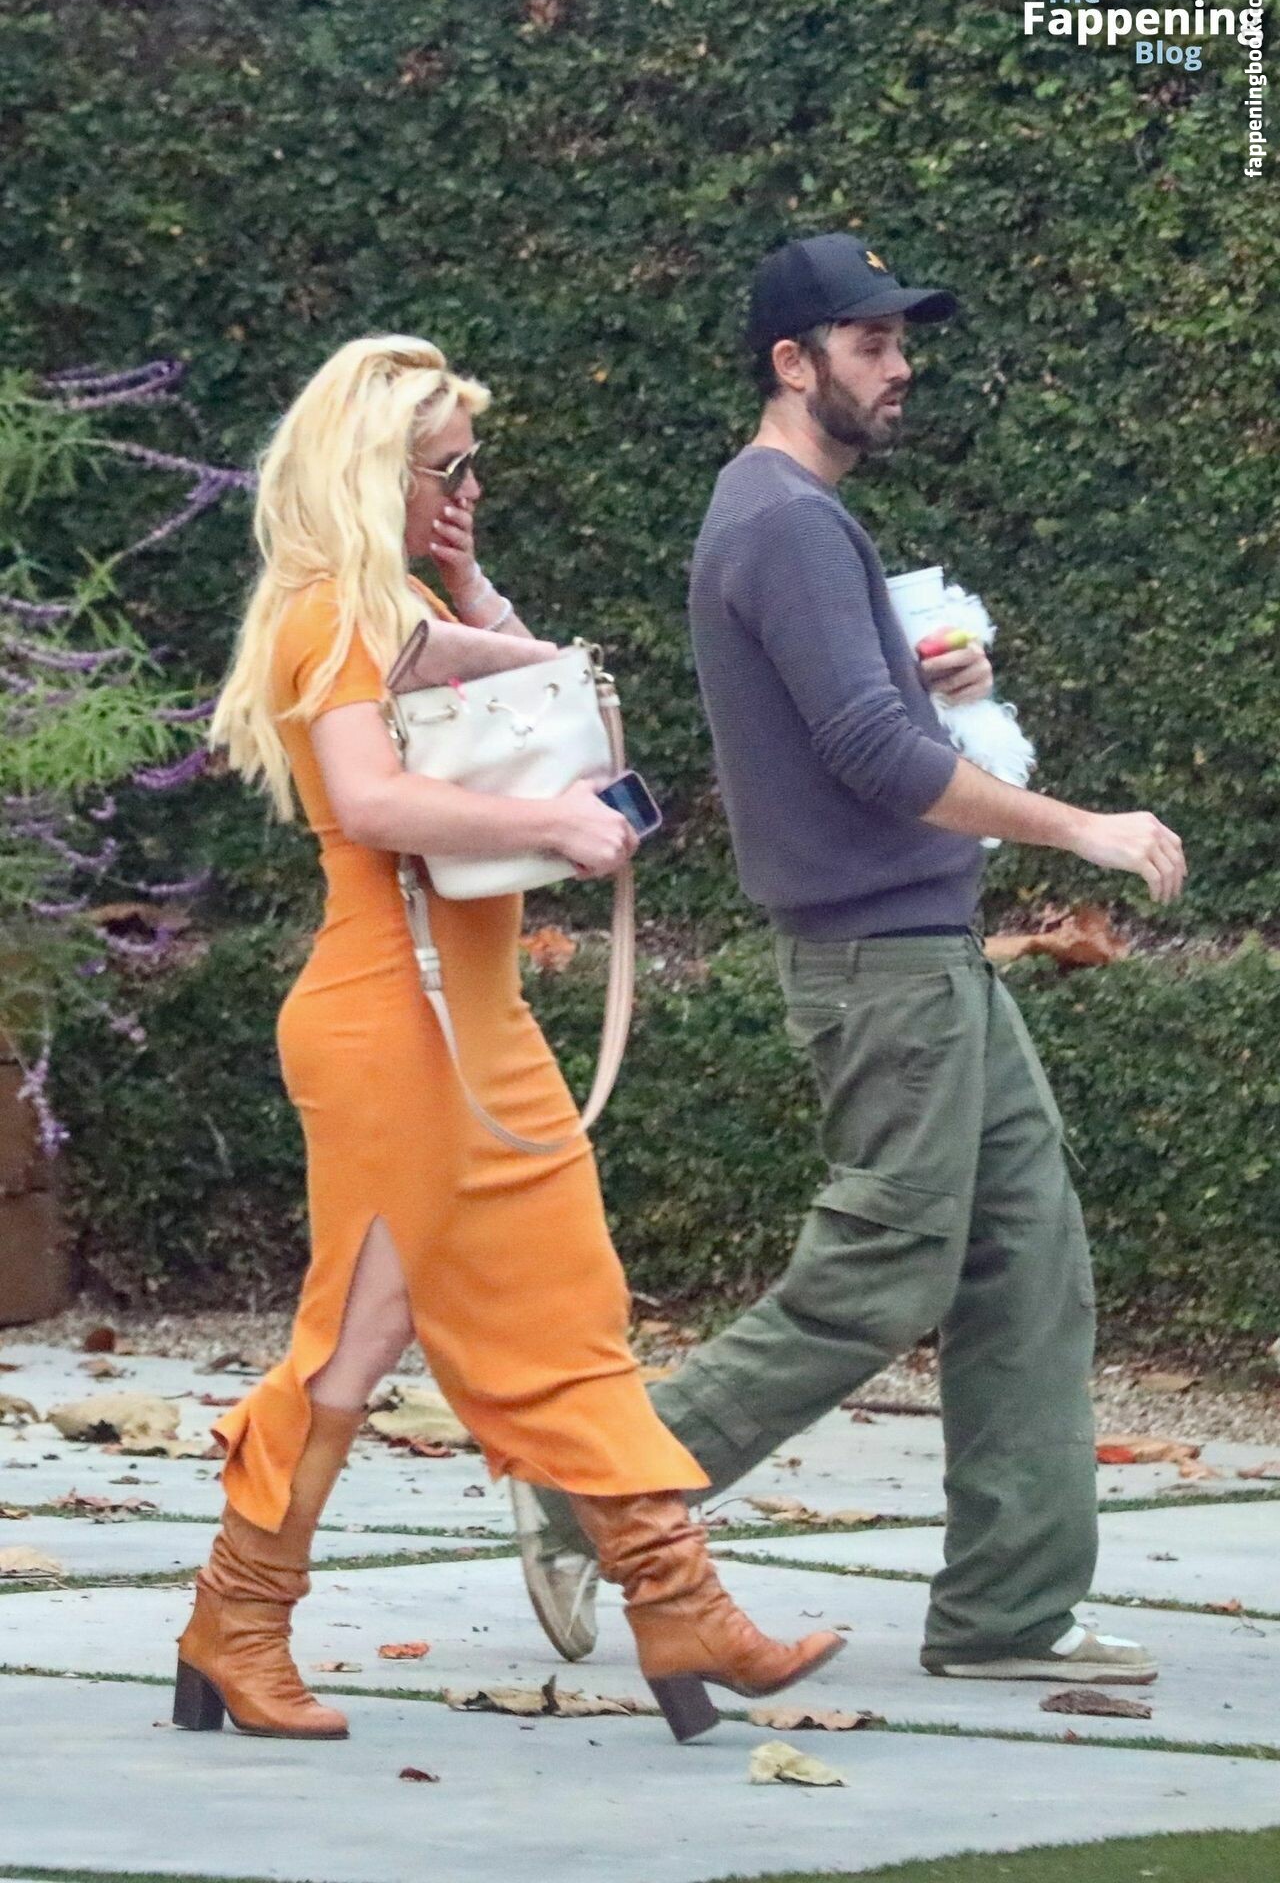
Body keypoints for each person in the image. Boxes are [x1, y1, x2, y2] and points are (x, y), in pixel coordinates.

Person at [512, 234, 1186, 1686]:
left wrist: (942, 682)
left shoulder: (794, 519)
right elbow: (876, 759)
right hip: (884, 963)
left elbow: (868, 721)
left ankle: (1008, 1610)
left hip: (924, 952)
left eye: (902, 341)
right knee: (878, 1276)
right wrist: (1084, 829)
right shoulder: (784, 522)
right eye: (871, 343)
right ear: (791, 361)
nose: (900, 367)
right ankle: (591, 1491)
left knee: (1027, 1264)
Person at [176, 334, 843, 1746]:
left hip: (472, 1023)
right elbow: (371, 801)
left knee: (568, 1309)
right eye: (448, 467)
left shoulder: (397, 609)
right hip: (389, 1023)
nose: (468, 485)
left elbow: (551, 686)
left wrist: (471, 581)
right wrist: (547, 824)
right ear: (379, 475)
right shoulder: (329, 615)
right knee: (355, 1343)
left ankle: (678, 1599)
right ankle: (237, 1620)